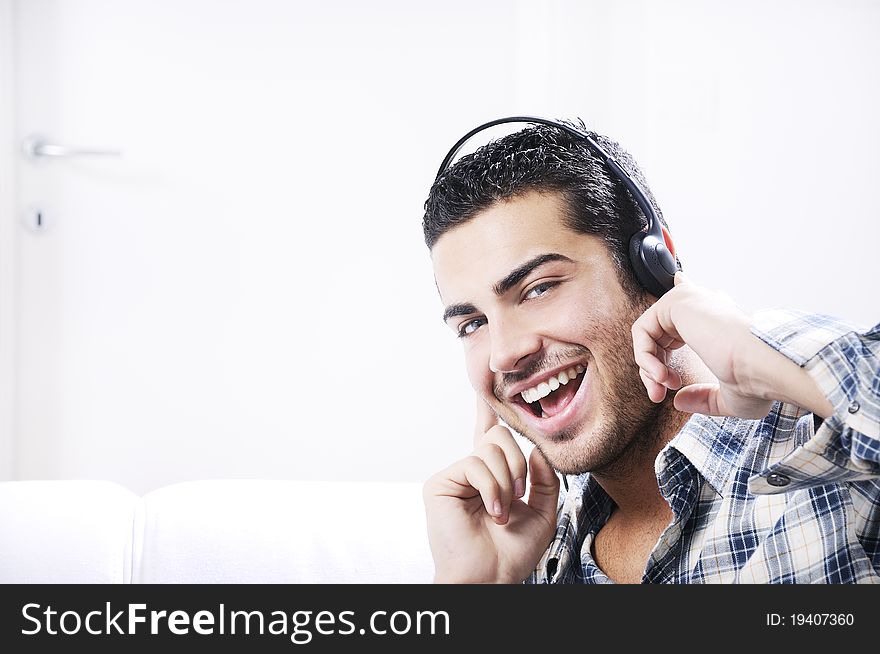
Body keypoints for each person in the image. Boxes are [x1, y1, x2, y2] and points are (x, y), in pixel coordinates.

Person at [420, 118, 880, 584]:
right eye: (473, 323)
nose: (503, 354)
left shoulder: (830, 450)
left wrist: (751, 350)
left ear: (653, 264)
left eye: (538, 289)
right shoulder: (530, 552)